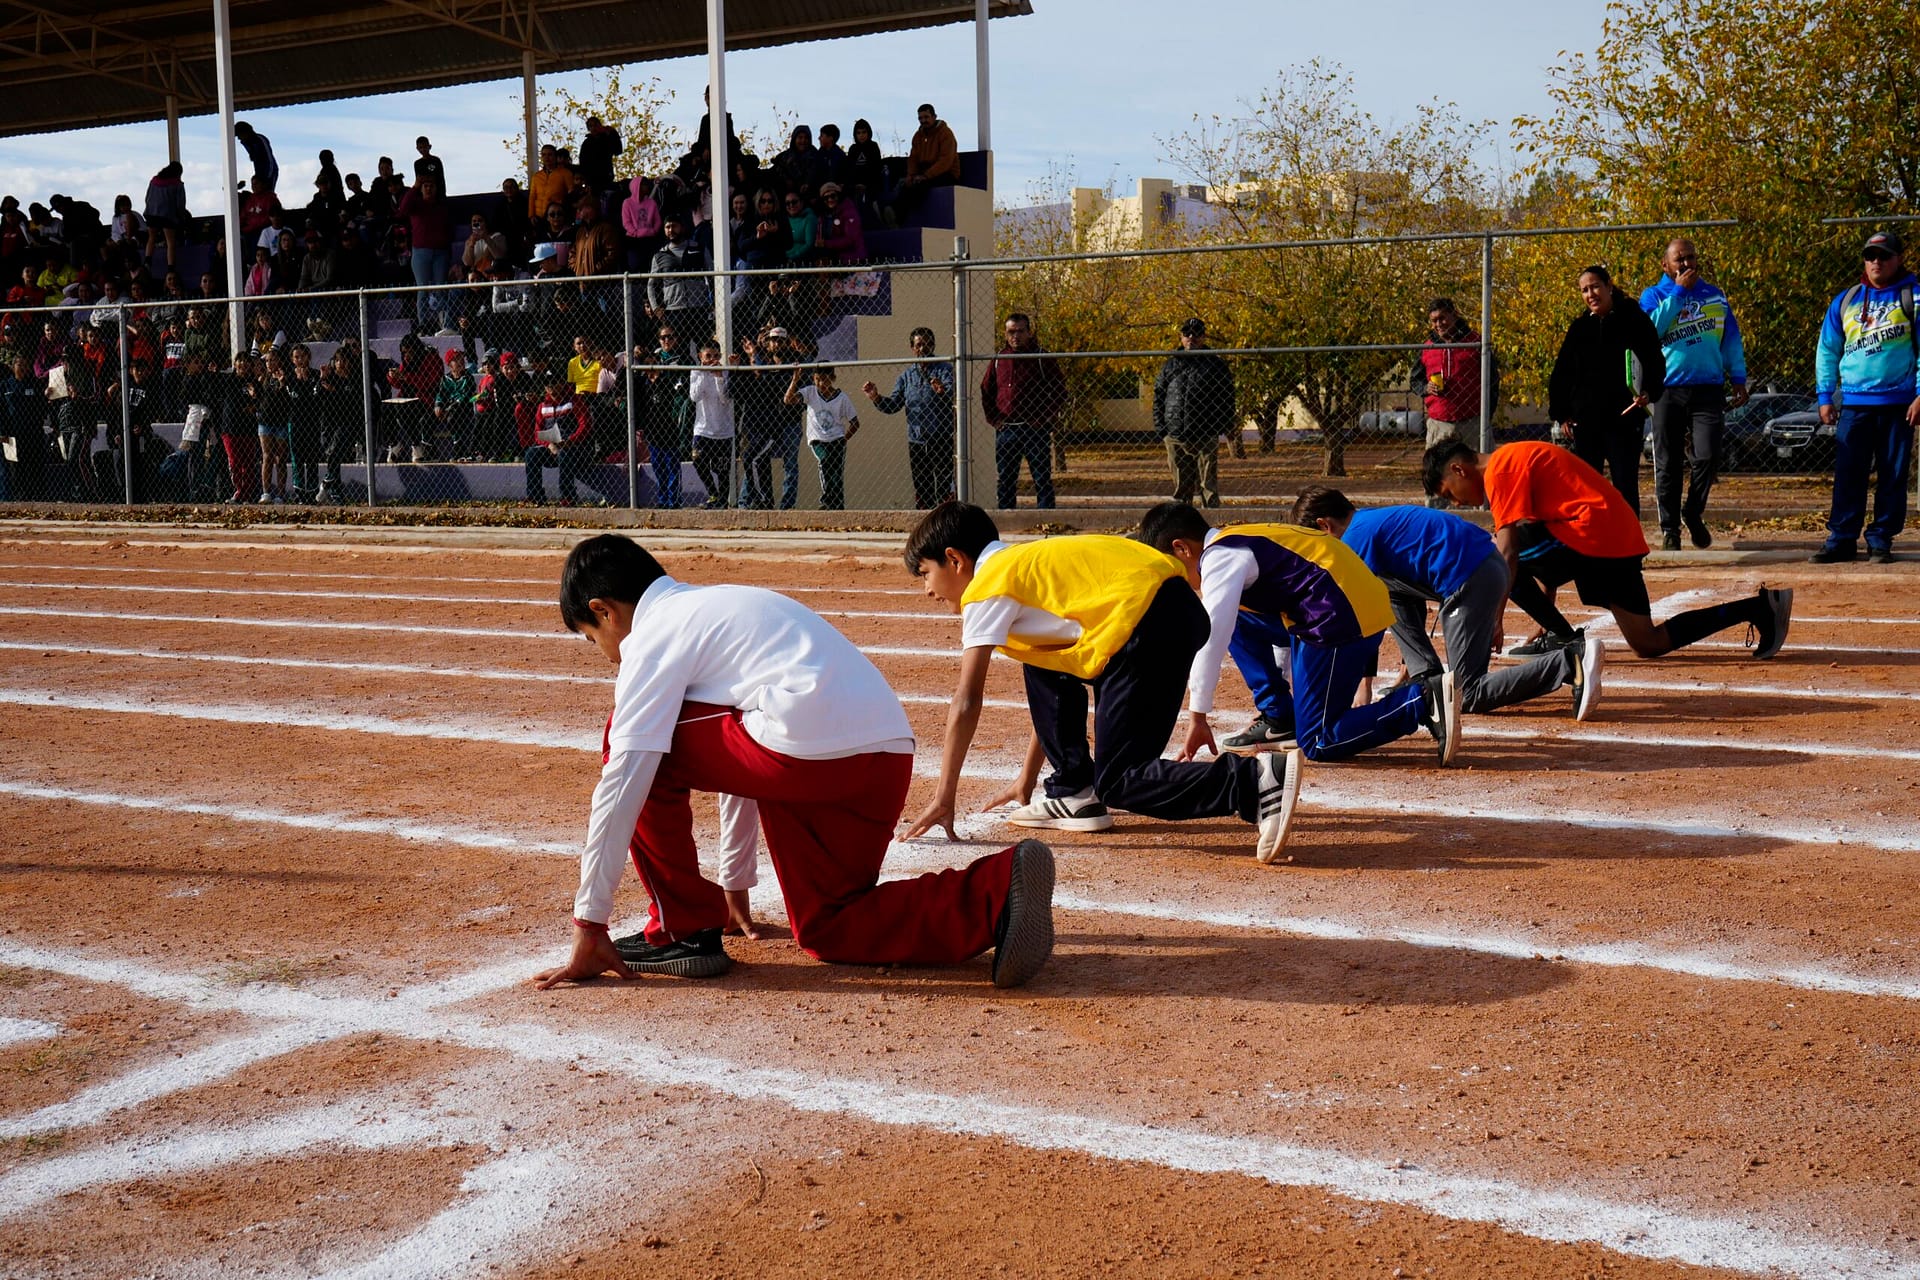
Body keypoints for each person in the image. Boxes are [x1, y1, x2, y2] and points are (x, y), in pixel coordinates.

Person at [531, 534, 1056, 990]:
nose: (605, 651)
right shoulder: (719, 606)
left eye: (592, 637)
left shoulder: (653, 633)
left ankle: (681, 930)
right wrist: (735, 880)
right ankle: (996, 889)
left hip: (803, 755)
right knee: (830, 922)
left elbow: (626, 776)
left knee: (627, 740)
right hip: (884, 754)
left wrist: (590, 924)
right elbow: (732, 748)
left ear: (604, 610)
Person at [903, 501, 1303, 863]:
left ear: (954, 559)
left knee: (1122, 781)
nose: (926, 590)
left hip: (1146, 625)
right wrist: (1028, 779)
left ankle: (1254, 782)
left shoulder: (989, 584)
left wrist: (943, 797)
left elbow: (967, 700)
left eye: (925, 573)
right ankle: (1072, 791)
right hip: (1171, 611)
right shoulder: (1025, 565)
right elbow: (1055, 674)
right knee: (1041, 661)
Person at [1141, 500, 1462, 771]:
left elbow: (1211, 636)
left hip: (1339, 614)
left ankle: (1421, 700)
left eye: (1171, 568)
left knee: (1320, 741)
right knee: (1238, 613)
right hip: (1336, 605)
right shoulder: (1234, 539)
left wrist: (1198, 715)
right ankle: (1279, 718)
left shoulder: (1219, 558)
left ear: (1181, 548)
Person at [1424, 438, 1794, 661]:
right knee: (1648, 642)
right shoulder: (1511, 461)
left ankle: (1565, 640)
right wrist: (1544, 615)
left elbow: (1508, 553)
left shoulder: (1501, 469)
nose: (1456, 503)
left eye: (1447, 494)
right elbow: (1538, 534)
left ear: (1459, 470)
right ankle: (1761, 607)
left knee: (1490, 553)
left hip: (1593, 534)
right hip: (1610, 537)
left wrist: (1494, 619)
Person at [1293, 485, 1603, 721]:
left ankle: (1569, 661)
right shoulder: (1368, 521)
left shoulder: (1354, 539)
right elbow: (1384, 598)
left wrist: (1363, 688)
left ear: (1324, 526)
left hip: (1470, 577)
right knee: (1386, 589)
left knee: (1467, 694)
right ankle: (1426, 677)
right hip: (1484, 564)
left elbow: (1361, 618)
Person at [1810, 229, 1919, 565]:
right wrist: (1826, 395)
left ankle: (1881, 538)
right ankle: (1842, 539)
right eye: (1870, 256)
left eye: (1884, 255)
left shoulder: (1913, 296)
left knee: (1892, 474)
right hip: (1855, 404)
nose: (1876, 262)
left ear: (1898, 259)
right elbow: (1827, 350)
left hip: (1898, 405)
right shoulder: (1846, 300)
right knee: (1848, 474)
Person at [1639, 239, 1748, 550]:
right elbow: (1649, 333)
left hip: (1708, 388)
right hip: (1668, 389)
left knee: (1709, 454)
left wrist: (1738, 377)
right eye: (1679, 260)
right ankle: (1669, 529)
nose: (1686, 264)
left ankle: (1692, 511)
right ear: (1666, 266)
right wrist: (1678, 293)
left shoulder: (1714, 295)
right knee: (1668, 461)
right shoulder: (1654, 295)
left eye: (1690, 258)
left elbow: (1730, 339)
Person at [1548, 264, 1665, 516]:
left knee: (1624, 487)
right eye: (1584, 290)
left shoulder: (1635, 321)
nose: (1590, 294)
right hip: (1586, 422)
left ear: (1609, 286)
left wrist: (1648, 392)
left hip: (1623, 420)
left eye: (1595, 287)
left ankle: (1629, 550)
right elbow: (1562, 374)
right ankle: (1592, 547)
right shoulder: (1579, 329)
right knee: (1587, 487)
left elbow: (1655, 362)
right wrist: (1562, 412)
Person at [979, 313, 1064, 509]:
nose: (1015, 336)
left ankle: (1046, 521)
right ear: (1005, 333)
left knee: (1042, 478)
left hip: (1035, 430)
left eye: (1020, 331)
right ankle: (1006, 519)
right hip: (1006, 430)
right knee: (1006, 480)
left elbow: (1059, 391)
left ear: (1029, 332)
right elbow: (986, 390)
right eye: (1011, 332)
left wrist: (1043, 418)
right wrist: (994, 419)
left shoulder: (1042, 357)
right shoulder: (999, 359)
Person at [862, 327, 954, 507]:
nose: (923, 349)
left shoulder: (944, 368)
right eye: (919, 345)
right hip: (917, 440)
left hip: (940, 437)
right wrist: (876, 397)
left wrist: (942, 391)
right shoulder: (906, 376)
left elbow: (952, 393)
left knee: (943, 486)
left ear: (934, 345)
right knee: (922, 486)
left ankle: (945, 523)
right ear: (912, 348)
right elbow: (894, 405)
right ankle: (924, 522)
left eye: (928, 344)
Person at [1152, 317, 1236, 508]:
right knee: (1181, 484)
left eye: (1196, 333)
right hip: (1174, 432)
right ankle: (1183, 519)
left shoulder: (1215, 365)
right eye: (1187, 333)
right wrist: (1162, 429)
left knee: (1208, 484)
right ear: (1181, 337)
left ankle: (1212, 520)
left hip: (1205, 433)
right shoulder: (1170, 365)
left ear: (1204, 336)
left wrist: (1222, 425)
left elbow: (1228, 397)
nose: (1191, 337)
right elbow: (1158, 396)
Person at [1412, 297, 1483, 464]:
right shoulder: (1427, 347)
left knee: (1478, 470)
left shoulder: (1475, 342)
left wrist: (1486, 416)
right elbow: (1415, 380)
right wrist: (1426, 388)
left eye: (1442, 318)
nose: (1439, 324)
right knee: (1437, 472)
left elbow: (1493, 380)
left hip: (1472, 422)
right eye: (1434, 320)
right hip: (1439, 422)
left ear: (1454, 315)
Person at [787, 363, 858, 509]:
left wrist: (844, 438)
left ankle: (837, 506)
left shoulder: (842, 398)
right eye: (817, 379)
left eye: (824, 380)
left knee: (836, 474)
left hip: (837, 440)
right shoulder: (810, 392)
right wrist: (795, 380)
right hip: (818, 439)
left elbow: (855, 423)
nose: (820, 384)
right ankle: (826, 500)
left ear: (832, 378)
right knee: (825, 462)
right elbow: (788, 400)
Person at [524, 368, 591, 504]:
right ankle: (535, 495)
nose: (550, 386)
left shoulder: (574, 401)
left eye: (554, 382)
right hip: (551, 447)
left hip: (574, 447)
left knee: (565, 453)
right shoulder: (542, 406)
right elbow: (538, 433)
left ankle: (568, 495)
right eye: (547, 383)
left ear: (562, 382)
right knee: (531, 454)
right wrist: (549, 445)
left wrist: (569, 441)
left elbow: (585, 426)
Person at [689, 340, 736, 508]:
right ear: (701, 356)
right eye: (708, 356)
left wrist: (718, 377)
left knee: (722, 469)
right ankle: (713, 494)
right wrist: (704, 373)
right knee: (697, 460)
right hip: (703, 429)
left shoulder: (725, 371)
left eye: (716, 356)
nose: (712, 359)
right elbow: (695, 396)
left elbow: (725, 399)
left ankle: (723, 501)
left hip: (723, 430)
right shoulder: (696, 371)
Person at [894, 103, 959, 223]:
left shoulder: (946, 134)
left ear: (934, 117)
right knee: (905, 184)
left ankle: (902, 218)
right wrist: (911, 175)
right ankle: (893, 215)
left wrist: (926, 176)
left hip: (947, 173)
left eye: (926, 117)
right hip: (925, 171)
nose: (923, 120)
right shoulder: (918, 136)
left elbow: (946, 161)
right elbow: (913, 158)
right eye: (920, 118)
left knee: (920, 186)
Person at [578, 116, 623, 206]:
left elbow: (618, 150)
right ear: (588, 128)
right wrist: (586, 180)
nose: (594, 128)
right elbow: (583, 162)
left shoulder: (607, 138)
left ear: (600, 125)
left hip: (606, 177)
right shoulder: (586, 144)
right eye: (591, 126)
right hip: (592, 181)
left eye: (596, 125)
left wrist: (612, 133)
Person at [234, 122, 279, 193]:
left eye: (240, 135)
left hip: (269, 172)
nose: (239, 138)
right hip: (259, 172)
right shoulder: (247, 143)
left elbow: (269, 160)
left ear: (246, 133)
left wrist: (267, 178)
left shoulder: (260, 140)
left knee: (267, 196)